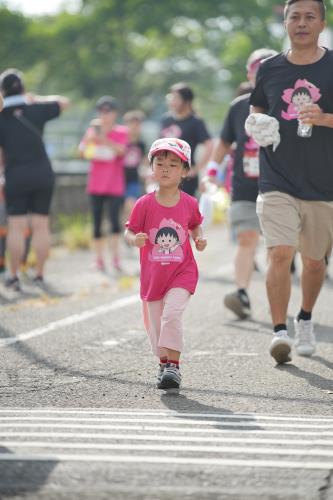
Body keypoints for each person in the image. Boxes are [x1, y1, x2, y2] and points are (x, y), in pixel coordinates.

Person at [248, 0, 333, 363]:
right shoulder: (269, 69)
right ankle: (279, 331)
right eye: (294, 17)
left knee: (315, 263)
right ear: (284, 23)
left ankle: (305, 317)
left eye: (309, 17)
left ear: (322, 22)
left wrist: (323, 118)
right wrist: (257, 125)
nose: (301, 23)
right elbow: (257, 109)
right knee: (280, 252)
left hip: (324, 182)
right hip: (276, 177)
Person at [124, 138, 207, 391]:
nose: (165, 169)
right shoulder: (144, 204)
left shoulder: (190, 202)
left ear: (185, 171)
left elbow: (194, 223)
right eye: (159, 163)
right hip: (153, 276)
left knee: (172, 315)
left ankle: (174, 366)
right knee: (156, 325)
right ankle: (163, 363)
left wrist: (198, 238)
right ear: (152, 168)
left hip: (182, 272)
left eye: (173, 164)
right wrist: (134, 240)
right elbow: (128, 231)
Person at [206, 48, 277, 319]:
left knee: (276, 246)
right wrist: (211, 172)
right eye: (255, 69)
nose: (259, 74)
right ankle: (242, 294)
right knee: (247, 239)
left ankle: (276, 296)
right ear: (248, 73)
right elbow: (224, 142)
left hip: (280, 186)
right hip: (244, 186)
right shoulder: (238, 106)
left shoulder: (285, 103)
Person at [0, 68, 70, 291]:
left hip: (15, 174)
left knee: (16, 226)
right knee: (41, 225)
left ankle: (13, 276)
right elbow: (64, 102)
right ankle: (39, 274)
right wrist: (34, 98)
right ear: (23, 88)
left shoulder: (2, 115)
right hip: (42, 172)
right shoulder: (36, 108)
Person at [79, 96, 128, 272]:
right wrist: (94, 140)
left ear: (115, 113)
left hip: (115, 185)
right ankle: (99, 259)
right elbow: (82, 151)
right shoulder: (91, 131)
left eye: (108, 111)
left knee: (114, 222)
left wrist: (103, 138)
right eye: (101, 111)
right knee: (96, 223)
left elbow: (121, 150)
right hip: (95, 185)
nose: (105, 115)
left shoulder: (121, 131)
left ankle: (115, 258)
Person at [160, 82, 213, 196]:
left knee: (182, 212)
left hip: (185, 178)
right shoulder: (166, 119)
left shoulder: (195, 122)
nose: (172, 101)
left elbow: (209, 145)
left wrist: (196, 168)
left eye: (176, 98)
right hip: (164, 174)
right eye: (171, 97)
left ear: (187, 101)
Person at [122, 110, 146, 223]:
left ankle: (129, 229)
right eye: (132, 124)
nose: (134, 128)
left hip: (133, 179)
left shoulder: (141, 144)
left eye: (137, 125)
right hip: (119, 178)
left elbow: (144, 161)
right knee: (121, 208)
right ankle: (124, 232)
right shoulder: (121, 141)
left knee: (130, 204)